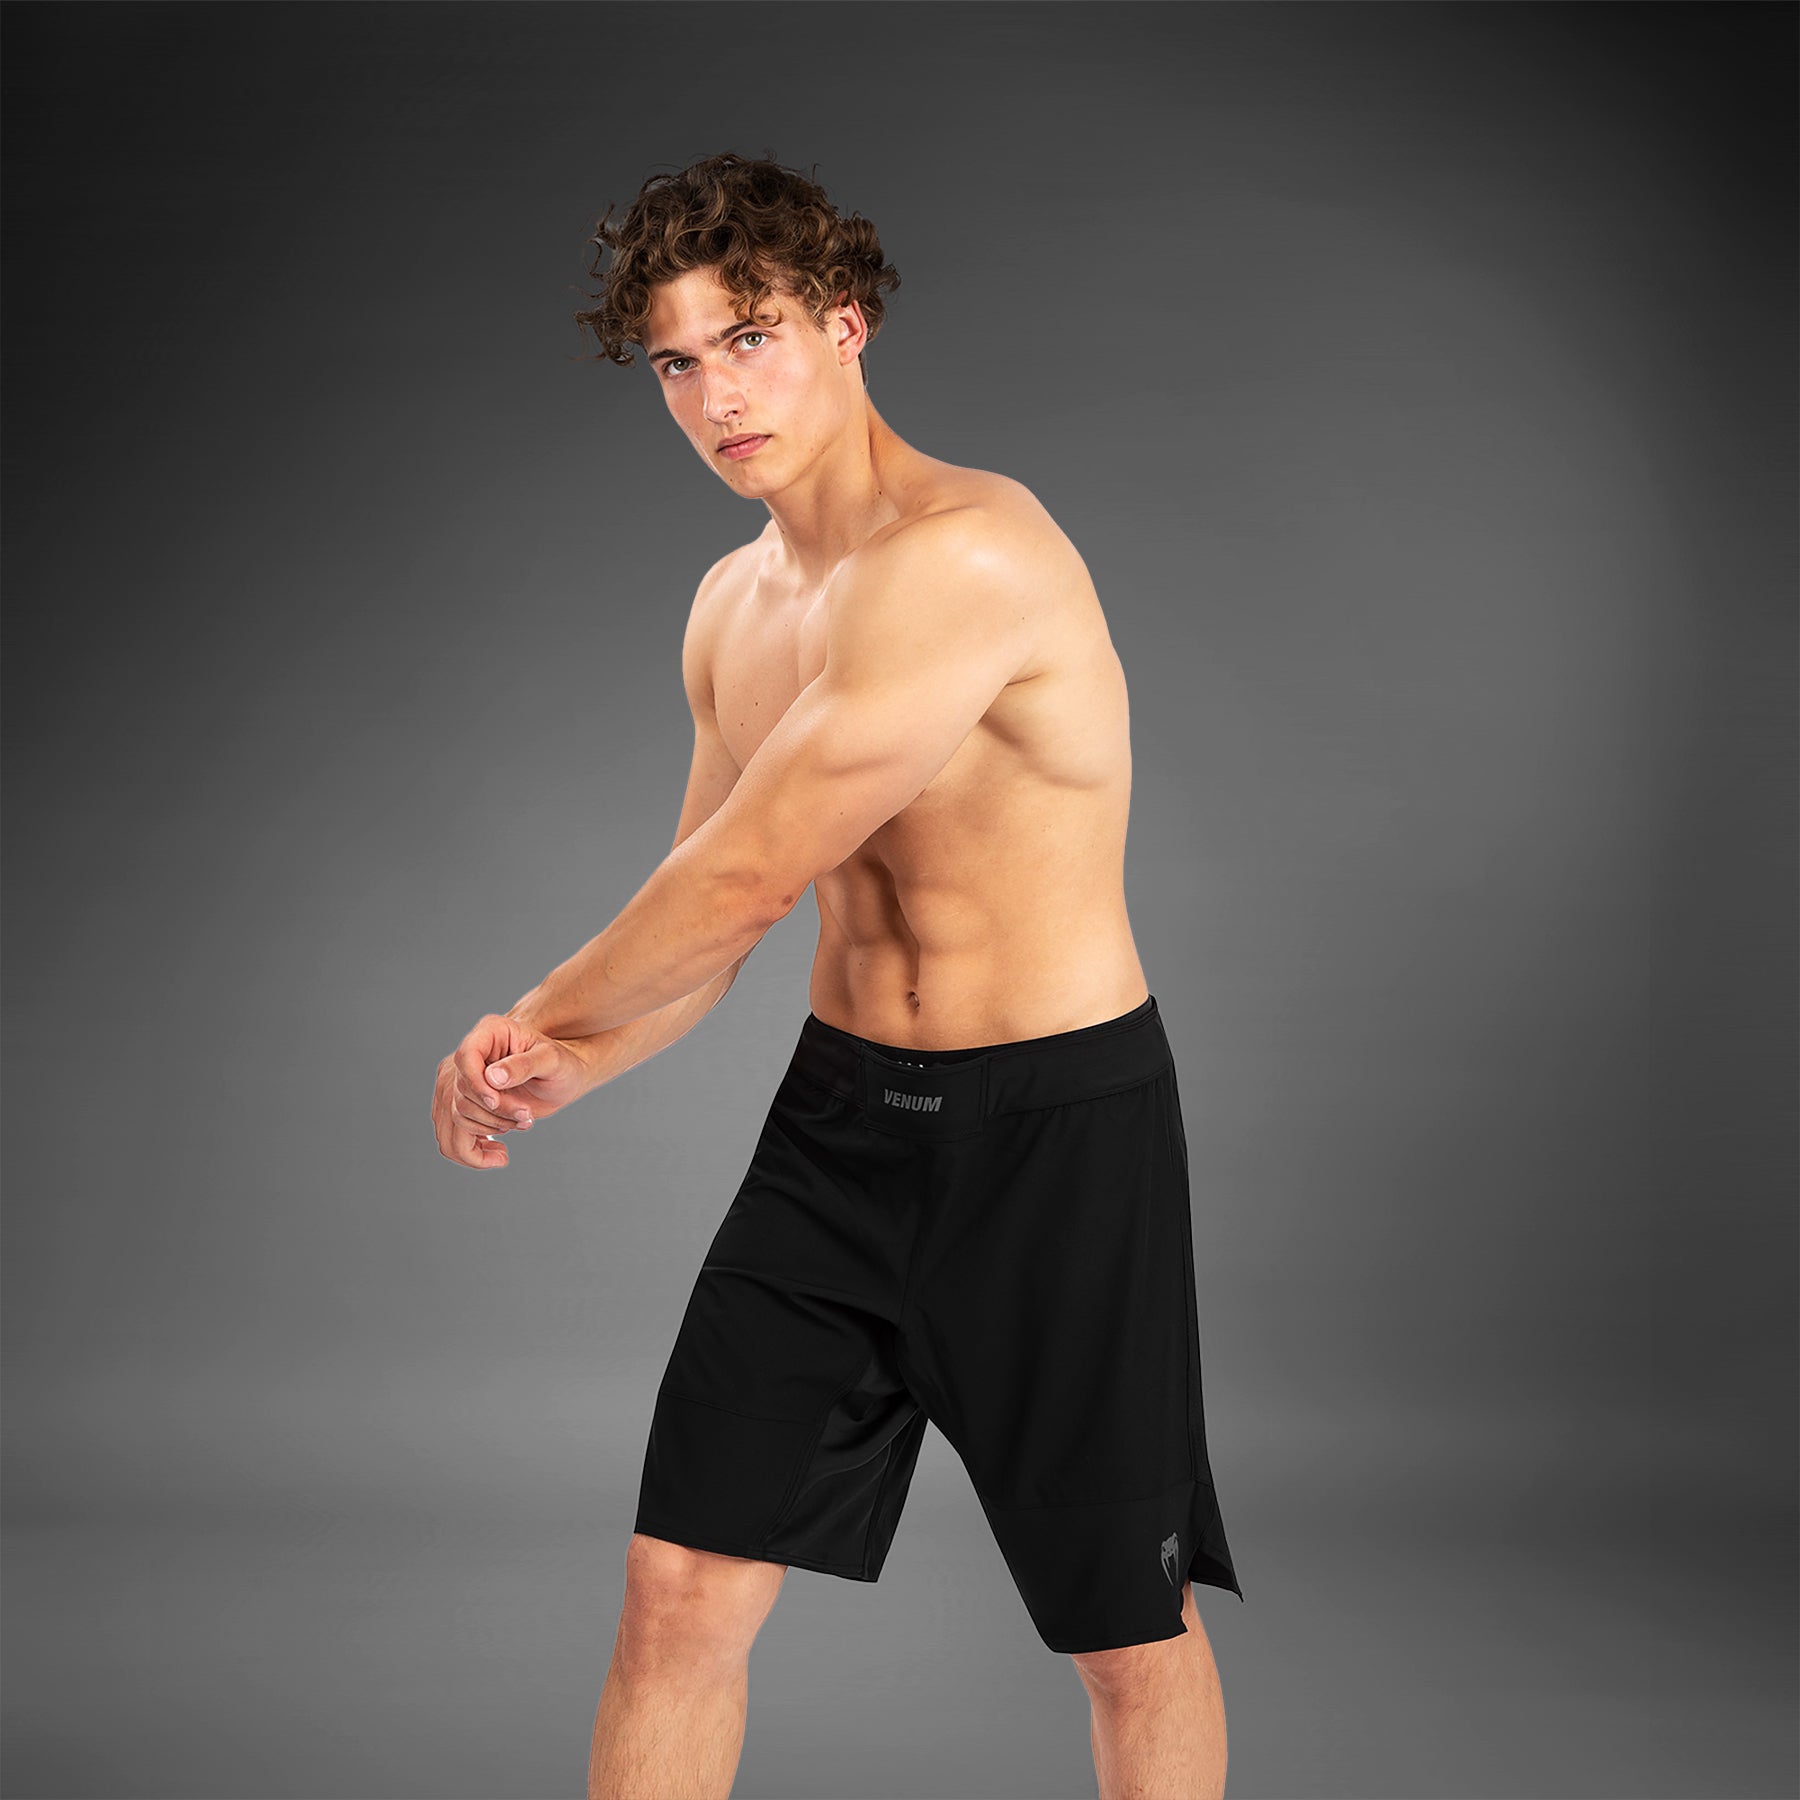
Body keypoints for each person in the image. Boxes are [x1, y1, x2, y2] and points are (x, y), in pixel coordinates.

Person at [430, 150, 1243, 1800]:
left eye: (751, 338)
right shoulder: (732, 608)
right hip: (842, 1134)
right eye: (677, 363)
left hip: (1054, 1141)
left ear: (844, 324)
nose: (717, 395)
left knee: (1122, 1626)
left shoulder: (971, 554)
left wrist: (534, 1012)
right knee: (678, 1589)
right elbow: (715, 919)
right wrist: (579, 1058)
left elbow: (743, 874)